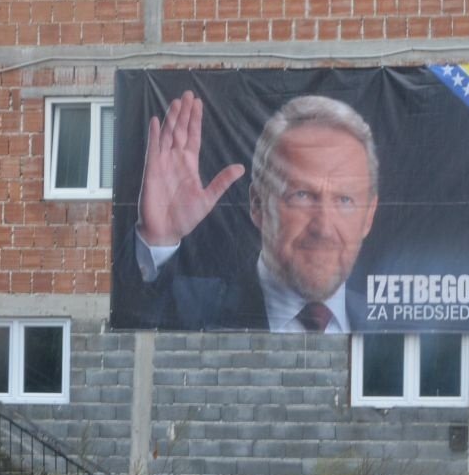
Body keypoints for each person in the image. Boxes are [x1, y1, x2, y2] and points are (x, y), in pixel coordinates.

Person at [119, 91, 381, 332]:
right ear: (257, 204)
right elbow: (129, 318)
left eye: (345, 200)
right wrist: (157, 241)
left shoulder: (383, 323)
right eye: (302, 195)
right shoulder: (195, 308)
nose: (323, 228)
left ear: (368, 216)